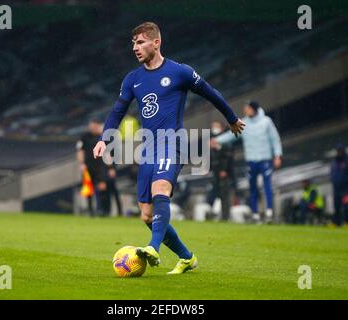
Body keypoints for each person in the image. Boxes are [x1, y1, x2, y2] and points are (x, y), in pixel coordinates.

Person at [93, 22, 245, 274]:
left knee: (161, 188)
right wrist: (103, 139)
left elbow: (210, 92)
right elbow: (118, 110)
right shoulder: (133, 79)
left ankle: (153, 247)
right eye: (133, 43)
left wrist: (230, 118)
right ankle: (187, 257)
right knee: (147, 216)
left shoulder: (180, 72)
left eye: (140, 42)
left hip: (172, 142)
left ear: (156, 42)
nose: (135, 47)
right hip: (148, 148)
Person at [212, 100, 282, 223]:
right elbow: (231, 135)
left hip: (265, 159)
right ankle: (255, 214)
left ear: (254, 109)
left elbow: (275, 139)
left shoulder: (266, 122)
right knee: (253, 188)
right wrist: (218, 140)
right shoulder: (244, 123)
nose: (245, 110)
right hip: (251, 161)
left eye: (248, 108)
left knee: (267, 187)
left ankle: (269, 213)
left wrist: (277, 155)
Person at [76, 119, 110, 216]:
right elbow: (80, 151)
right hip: (88, 166)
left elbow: (108, 152)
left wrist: (109, 167)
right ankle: (90, 210)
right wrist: (81, 163)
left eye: (94, 126)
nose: (92, 128)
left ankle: (102, 211)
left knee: (102, 188)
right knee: (88, 189)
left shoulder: (103, 137)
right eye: (91, 126)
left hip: (100, 166)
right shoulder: (84, 137)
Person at [207, 120, 235, 221]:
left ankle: (225, 217)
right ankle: (214, 215)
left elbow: (227, 156)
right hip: (215, 171)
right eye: (213, 126)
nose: (214, 128)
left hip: (223, 172)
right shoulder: (212, 139)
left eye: (216, 126)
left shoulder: (225, 140)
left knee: (224, 194)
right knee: (214, 193)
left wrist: (224, 169)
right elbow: (211, 157)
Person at [330, 143, 348, 226]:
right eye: (337, 150)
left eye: (340, 150)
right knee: (337, 206)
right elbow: (332, 173)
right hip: (336, 189)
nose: (338, 152)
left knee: (347, 207)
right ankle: (337, 223)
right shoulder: (334, 162)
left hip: (346, 189)